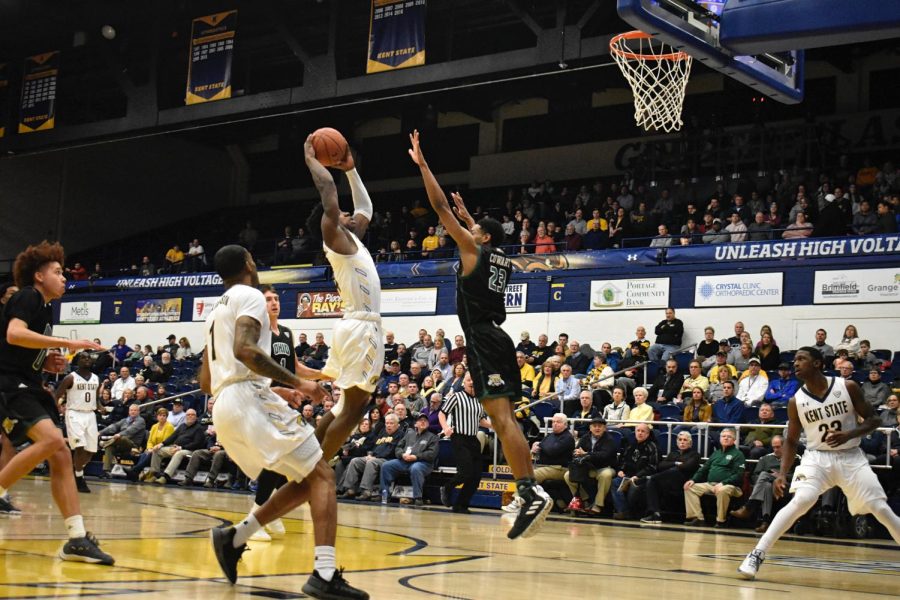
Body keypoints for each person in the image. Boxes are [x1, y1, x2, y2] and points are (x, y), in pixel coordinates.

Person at [201, 245, 366, 598]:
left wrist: (272, 390)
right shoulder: (250, 295)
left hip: (226, 405)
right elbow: (246, 350)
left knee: (309, 479)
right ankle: (323, 573)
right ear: (249, 262)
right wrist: (298, 383)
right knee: (323, 475)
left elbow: (204, 380)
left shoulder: (216, 309)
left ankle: (235, 537)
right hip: (247, 400)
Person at [409, 130, 551, 539]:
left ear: (481, 239)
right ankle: (527, 491)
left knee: (502, 418)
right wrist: (473, 218)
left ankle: (529, 490)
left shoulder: (473, 252)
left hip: (485, 339)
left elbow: (438, 207)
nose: (465, 235)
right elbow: (482, 235)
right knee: (501, 417)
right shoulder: (498, 256)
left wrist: (423, 165)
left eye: (472, 231)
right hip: (494, 336)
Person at [738, 347, 900, 580]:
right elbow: (792, 440)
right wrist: (783, 474)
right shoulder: (796, 401)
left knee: (880, 509)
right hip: (816, 457)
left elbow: (874, 420)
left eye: (801, 359)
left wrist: (849, 434)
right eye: (794, 360)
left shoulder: (847, 387)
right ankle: (756, 554)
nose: (795, 363)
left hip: (850, 455)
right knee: (802, 500)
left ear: (817, 363)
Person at [0, 241, 113, 564]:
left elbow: (23, 346)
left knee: (61, 453)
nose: (65, 278)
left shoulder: (45, 307)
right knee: (52, 441)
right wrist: (67, 342)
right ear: (38, 275)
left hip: (27, 383)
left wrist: (45, 360)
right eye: (58, 272)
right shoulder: (27, 295)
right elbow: (14, 334)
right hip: (9, 385)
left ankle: (77, 539)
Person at [303, 138, 385, 486]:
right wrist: (311, 159)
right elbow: (328, 194)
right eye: (342, 213)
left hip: (355, 326)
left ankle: (307, 459)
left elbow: (366, 208)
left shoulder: (353, 240)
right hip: (361, 329)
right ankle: (315, 471)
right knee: (353, 410)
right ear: (333, 219)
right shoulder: (334, 237)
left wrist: (350, 168)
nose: (350, 214)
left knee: (340, 408)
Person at [251, 284, 328, 542]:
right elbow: (253, 375)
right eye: (267, 299)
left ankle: (266, 510)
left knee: (282, 459)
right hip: (260, 400)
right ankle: (256, 515)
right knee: (277, 457)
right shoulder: (256, 335)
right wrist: (278, 390)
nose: (274, 302)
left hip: (283, 403)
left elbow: (295, 367)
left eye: (275, 298)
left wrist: (323, 375)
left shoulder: (285, 332)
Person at [439, 372, 491, 513]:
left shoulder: (479, 401)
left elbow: (481, 420)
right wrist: (445, 427)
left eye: (474, 380)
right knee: (466, 471)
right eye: (469, 380)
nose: (471, 382)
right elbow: (442, 413)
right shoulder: (456, 396)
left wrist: (493, 425)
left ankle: (461, 505)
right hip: (459, 438)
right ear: (464, 382)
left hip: (473, 439)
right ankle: (447, 486)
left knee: (476, 476)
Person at [730, 435, 798, 533]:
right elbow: (755, 476)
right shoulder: (765, 458)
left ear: (785, 446)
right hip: (767, 485)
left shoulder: (795, 458)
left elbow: (797, 477)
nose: (775, 449)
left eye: (778, 447)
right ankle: (765, 522)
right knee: (766, 483)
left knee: (764, 475)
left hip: (786, 486)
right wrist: (770, 479)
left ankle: (749, 507)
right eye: (773, 447)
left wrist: (780, 476)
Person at [54, 352, 100, 493]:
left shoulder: (96, 378)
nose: (87, 359)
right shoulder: (70, 377)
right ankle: (79, 479)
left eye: (88, 357)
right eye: (83, 357)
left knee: (91, 450)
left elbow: (96, 399)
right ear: (77, 361)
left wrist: (102, 408)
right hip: (74, 413)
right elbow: (57, 396)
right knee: (80, 446)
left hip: (90, 414)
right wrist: (58, 411)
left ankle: (75, 471)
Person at [683, 428, 746, 528]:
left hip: (731, 486)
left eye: (729, 437)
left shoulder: (738, 454)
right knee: (689, 487)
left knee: (722, 490)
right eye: (723, 436)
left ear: (734, 440)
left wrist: (723, 483)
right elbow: (704, 469)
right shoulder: (716, 453)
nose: (726, 438)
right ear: (720, 439)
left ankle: (721, 521)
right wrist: (693, 479)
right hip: (711, 484)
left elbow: (739, 475)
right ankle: (698, 518)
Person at [640, 431, 701, 524]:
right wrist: (676, 463)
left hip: (684, 482)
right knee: (651, 482)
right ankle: (655, 514)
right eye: (680, 440)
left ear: (690, 443)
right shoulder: (673, 453)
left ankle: (649, 477)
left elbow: (687, 466)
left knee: (674, 471)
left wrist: (674, 465)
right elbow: (660, 465)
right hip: (668, 481)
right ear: (676, 442)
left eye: (685, 440)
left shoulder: (695, 454)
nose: (682, 442)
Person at [380, 414, 438, 506]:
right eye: (420, 420)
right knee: (386, 465)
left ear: (428, 424)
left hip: (423, 463)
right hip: (405, 461)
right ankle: (385, 494)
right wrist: (402, 454)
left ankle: (418, 497)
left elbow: (431, 454)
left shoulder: (433, 437)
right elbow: (398, 448)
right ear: (415, 424)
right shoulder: (409, 434)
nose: (423, 422)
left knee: (416, 468)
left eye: (425, 421)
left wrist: (416, 457)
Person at [564, 416, 616, 515]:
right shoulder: (585, 438)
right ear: (590, 428)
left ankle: (598, 504)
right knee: (567, 475)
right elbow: (576, 451)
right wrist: (576, 453)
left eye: (600, 426)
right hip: (588, 468)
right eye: (594, 426)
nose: (597, 428)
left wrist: (586, 454)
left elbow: (604, 456)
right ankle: (585, 500)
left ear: (604, 428)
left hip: (604, 467)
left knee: (606, 475)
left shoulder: (609, 439)